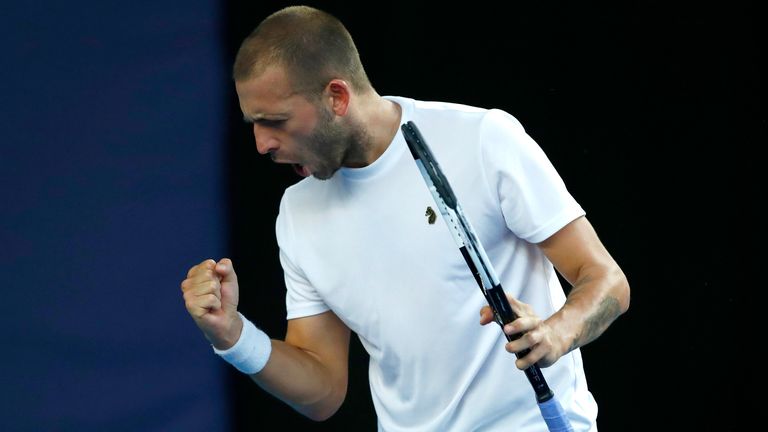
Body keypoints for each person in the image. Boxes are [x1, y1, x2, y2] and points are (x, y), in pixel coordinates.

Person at [180, 5, 630, 431]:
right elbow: (323, 392)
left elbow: (606, 279)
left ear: (336, 96)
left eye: (274, 121)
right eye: (252, 124)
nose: (261, 144)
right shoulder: (297, 213)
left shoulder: (481, 140)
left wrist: (557, 332)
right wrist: (233, 336)